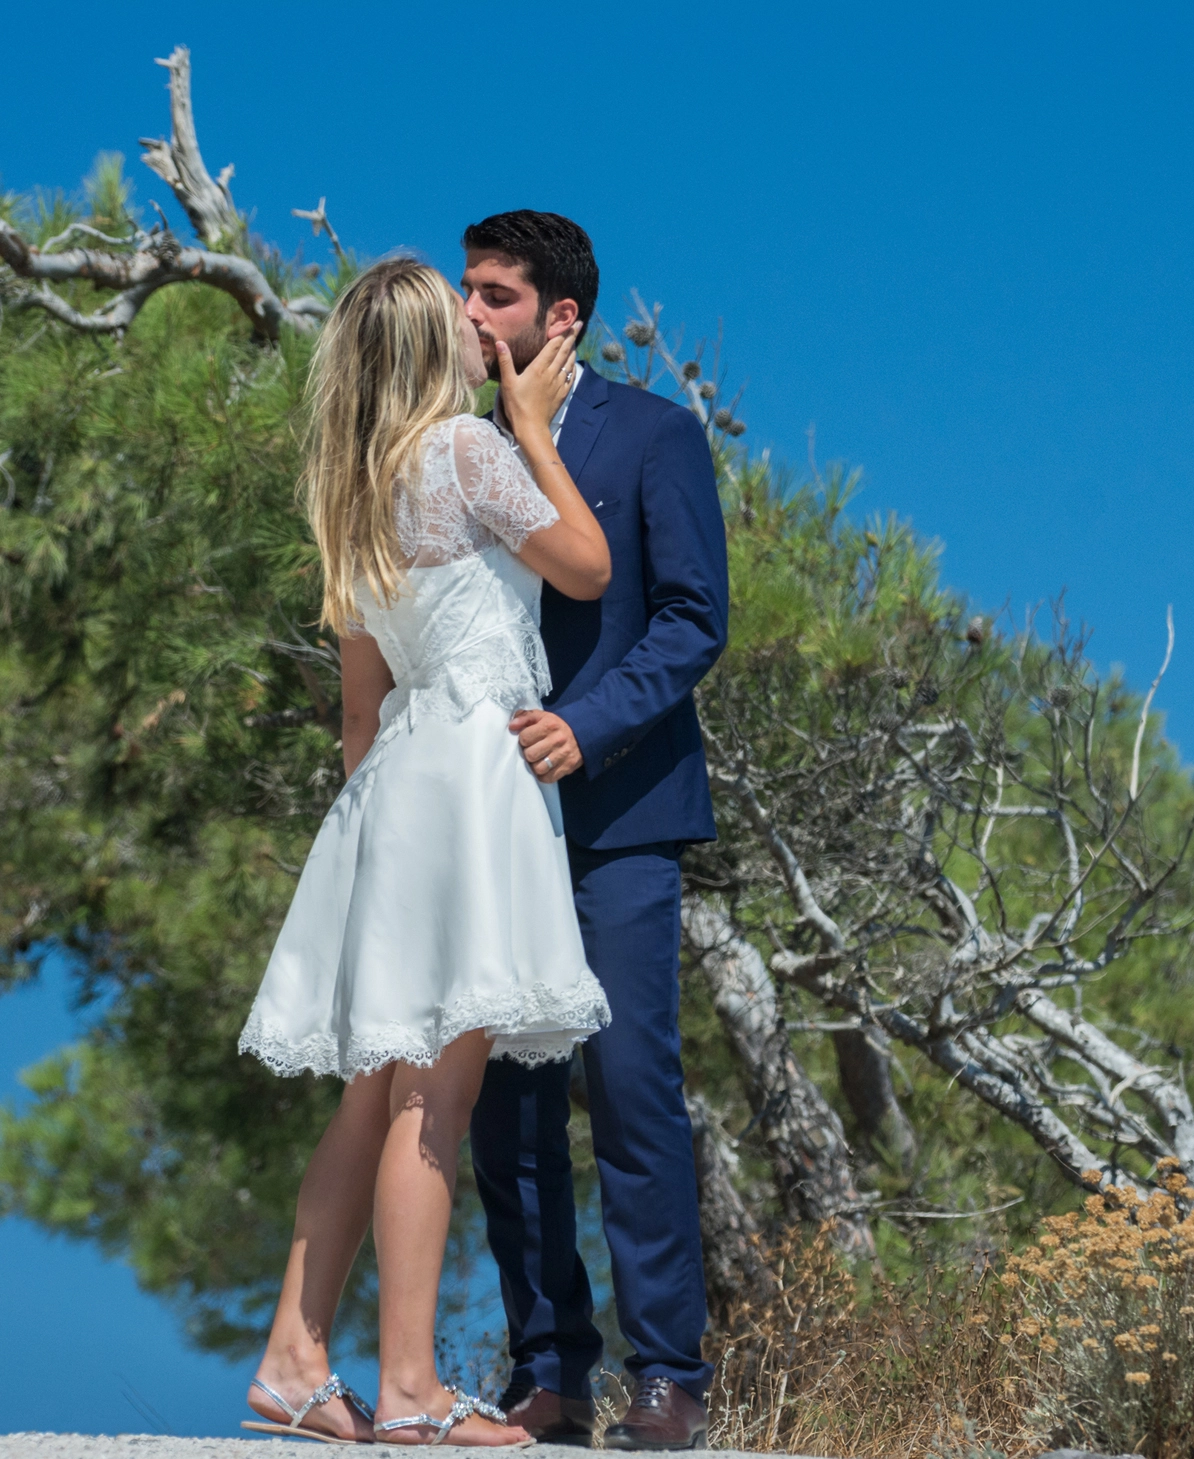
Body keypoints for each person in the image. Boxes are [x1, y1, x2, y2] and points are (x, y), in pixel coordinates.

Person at [236, 256, 615, 1446]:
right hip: (467, 770)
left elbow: (358, 716)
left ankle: (294, 1356)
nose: (477, 327)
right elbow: (587, 566)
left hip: (393, 781)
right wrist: (535, 428)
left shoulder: (353, 494)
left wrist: (370, 862)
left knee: (370, 1090)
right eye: (459, 319)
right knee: (434, 1096)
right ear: (422, 351)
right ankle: (408, 1391)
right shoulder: (463, 452)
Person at [460, 211, 731, 1452]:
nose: (472, 314)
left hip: (623, 811)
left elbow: (689, 617)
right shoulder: (454, 445)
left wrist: (587, 723)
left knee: (630, 1090)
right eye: (467, 291)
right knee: (506, 1107)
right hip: (491, 816)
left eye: (496, 297)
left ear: (559, 317)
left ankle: (668, 1376)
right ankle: (548, 1377)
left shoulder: (657, 435)